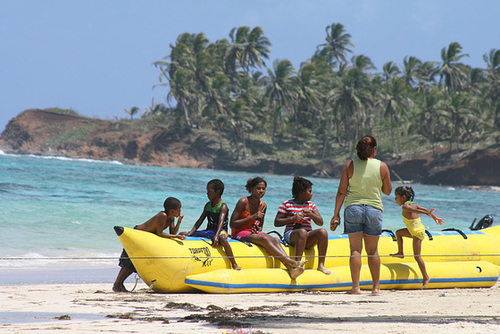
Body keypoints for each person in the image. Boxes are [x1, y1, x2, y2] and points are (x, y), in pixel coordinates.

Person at [330, 135, 392, 294]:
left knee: (355, 250)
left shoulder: (349, 165)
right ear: (374, 150)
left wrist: (336, 214)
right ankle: (376, 287)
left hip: (353, 208)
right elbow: (387, 191)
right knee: (373, 251)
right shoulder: (382, 166)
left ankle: (356, 287)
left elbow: (341, 191)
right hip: (374, 210)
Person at [230, 176, 307, 279]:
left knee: (275, 240)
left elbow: (260, 226)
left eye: (263, 189)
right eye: (258, 188)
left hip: (251, 232)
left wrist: (257, 229)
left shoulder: (263, 205)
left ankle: (290, 268)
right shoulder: (243, 201)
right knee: (265, 238)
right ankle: (291, 262)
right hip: (239, 232)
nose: (261, 191)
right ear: (251, 189)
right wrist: (253, 216)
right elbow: (233, 223)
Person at [113, 197, 186, 292]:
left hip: (145, 238)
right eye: (179, 209)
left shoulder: (171, 218)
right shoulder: (162, 216)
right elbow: (160, 233)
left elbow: (173, 232)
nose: (180, 211)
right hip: (138, 235)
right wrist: (177, 237)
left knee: (135, 264)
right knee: (128, 262)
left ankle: (120, 284)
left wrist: (179, 221)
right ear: (172, 211)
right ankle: (117, 284)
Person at [390, 186, 445, 288]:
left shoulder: (406, 206)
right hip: (413, 230)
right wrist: (434, 217)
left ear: (403, 197)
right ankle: (400, 252)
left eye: (396, 197)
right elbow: (425, 209)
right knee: (398, 233)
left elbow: (417, 211)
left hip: (417, 233)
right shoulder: (412, 204)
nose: (395, 199)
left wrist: (427, 213)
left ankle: (426, 276)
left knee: (417, 256)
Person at [274, 176, 331, 275]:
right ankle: (297, 264)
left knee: (323, 232)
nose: (312, 194)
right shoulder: (287, 204)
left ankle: (321, 264)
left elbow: (320, 222)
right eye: (310, 191)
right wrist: (293, 219)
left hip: (307, 236)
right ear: (301, 192)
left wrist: (311, 214)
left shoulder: (311, 205)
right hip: (291, 235)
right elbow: (277, 222)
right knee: (302, 232)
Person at [181, 179, 241, 270]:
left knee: (223, 239)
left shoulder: (223, 206)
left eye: (209, 192)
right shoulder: (208, 205)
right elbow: (200, 221)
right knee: (183, 233)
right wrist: (190, 232)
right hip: (209, 231)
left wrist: (217, 236)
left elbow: (221, 222)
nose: (207, 194)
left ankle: (234, 263)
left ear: (218, 192)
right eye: (207, 192)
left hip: (220, 231)